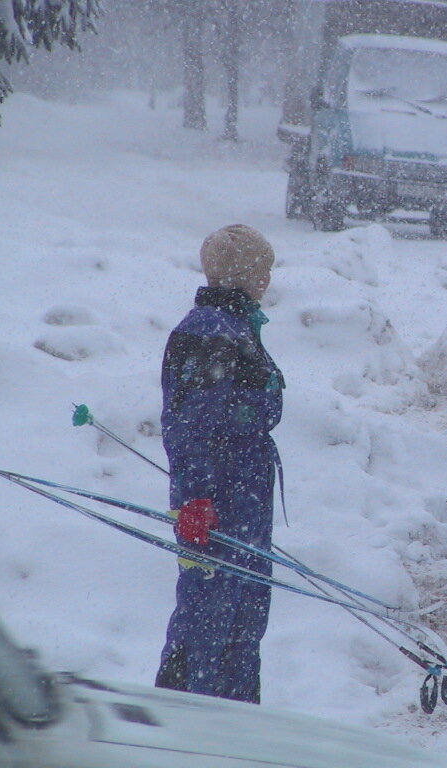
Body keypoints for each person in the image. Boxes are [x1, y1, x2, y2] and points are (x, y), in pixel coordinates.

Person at [155, 224, 285, 704]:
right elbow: (190, 426)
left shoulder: (234, 326)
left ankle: (236, 724)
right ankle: (190, 720)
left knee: (243, 616)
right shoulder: (209, 332)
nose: (267, 280)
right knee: (208, 617)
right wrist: (195, 499)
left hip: (244, 492)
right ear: (245, 275)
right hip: (218, 499)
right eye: (263, 270)